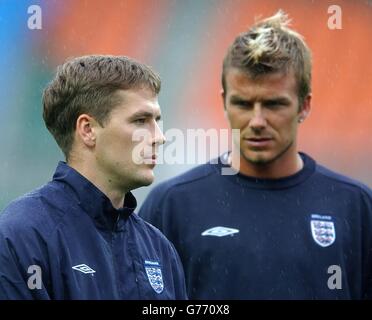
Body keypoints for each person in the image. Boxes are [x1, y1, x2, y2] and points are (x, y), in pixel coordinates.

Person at [139, 11, 372, 299]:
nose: (257, 120)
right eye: (243, 104)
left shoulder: (355, 206)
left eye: (274, 104)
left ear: (304, 106)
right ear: (224, 101)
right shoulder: (172, 205)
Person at [0, 55, 187, 300]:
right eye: (141, 121)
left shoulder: (159, 249)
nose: (160, 137)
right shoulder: (23, 235)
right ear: (87, 130)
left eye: (157, 121)